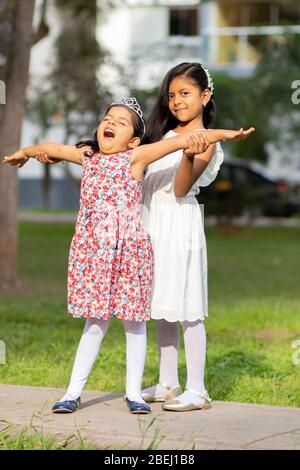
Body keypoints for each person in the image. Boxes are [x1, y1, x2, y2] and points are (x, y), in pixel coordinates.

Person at [3, 97, 250, 414]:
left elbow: (188, 140)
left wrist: (227, 135)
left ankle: (133, 393)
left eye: (120, 123)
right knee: (95, 323)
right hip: (94, 252)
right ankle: (72, 392)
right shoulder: (89, 157)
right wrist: (25, 154)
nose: (110, 124)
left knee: (134, 323)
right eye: (107, 119)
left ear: (133, 139)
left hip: (131, 253)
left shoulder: (136, 158)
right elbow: (52, 147)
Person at [140, 62, 254, 411]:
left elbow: (179, 188)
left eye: (185, 94)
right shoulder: (159, 135)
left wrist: (189, 153)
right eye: (171, 95)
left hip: (178, 224)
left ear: (205, 96)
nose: (176, 101)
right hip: (150, 222)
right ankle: (168, 383)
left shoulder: (206, 143)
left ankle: (198, 389)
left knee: (187, 307)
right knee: (161, 305)